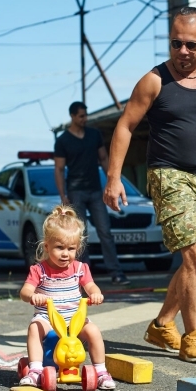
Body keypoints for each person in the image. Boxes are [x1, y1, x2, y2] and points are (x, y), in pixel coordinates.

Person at [103, 7, 196, 364]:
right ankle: (193, 337)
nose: (182, 52)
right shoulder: (155, 81)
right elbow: (125, 126)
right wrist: (113, 178)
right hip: (168, 174)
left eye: (191, 45)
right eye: (176, 44)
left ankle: (161, 324)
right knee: (193, 255)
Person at [18, 205, 115, 390]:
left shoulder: (80, 268)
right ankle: (36, 370)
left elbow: (90, 285)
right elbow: (24, 291)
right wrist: (33, 295)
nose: (65, 253)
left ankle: (101, 371)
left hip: (74, 318)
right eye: (59, 248)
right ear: (47, 246)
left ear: (78, 248)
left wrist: (95, 293)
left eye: (71, 249)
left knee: (93, 331)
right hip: (48, 317)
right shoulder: (39, 270)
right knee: (34, 328)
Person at [55, 101, 130, 286]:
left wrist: (113, 181)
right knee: (80, 234)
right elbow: (58, 169)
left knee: (105, 231)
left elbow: (104, 158)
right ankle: (83, 276)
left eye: (85, 115)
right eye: (81, 116)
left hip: (95, 190)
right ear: (72, 116)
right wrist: (63, 195)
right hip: (75, 191)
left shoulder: (94, 135)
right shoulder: (63, 140)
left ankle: (116, 272)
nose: (84, 119)